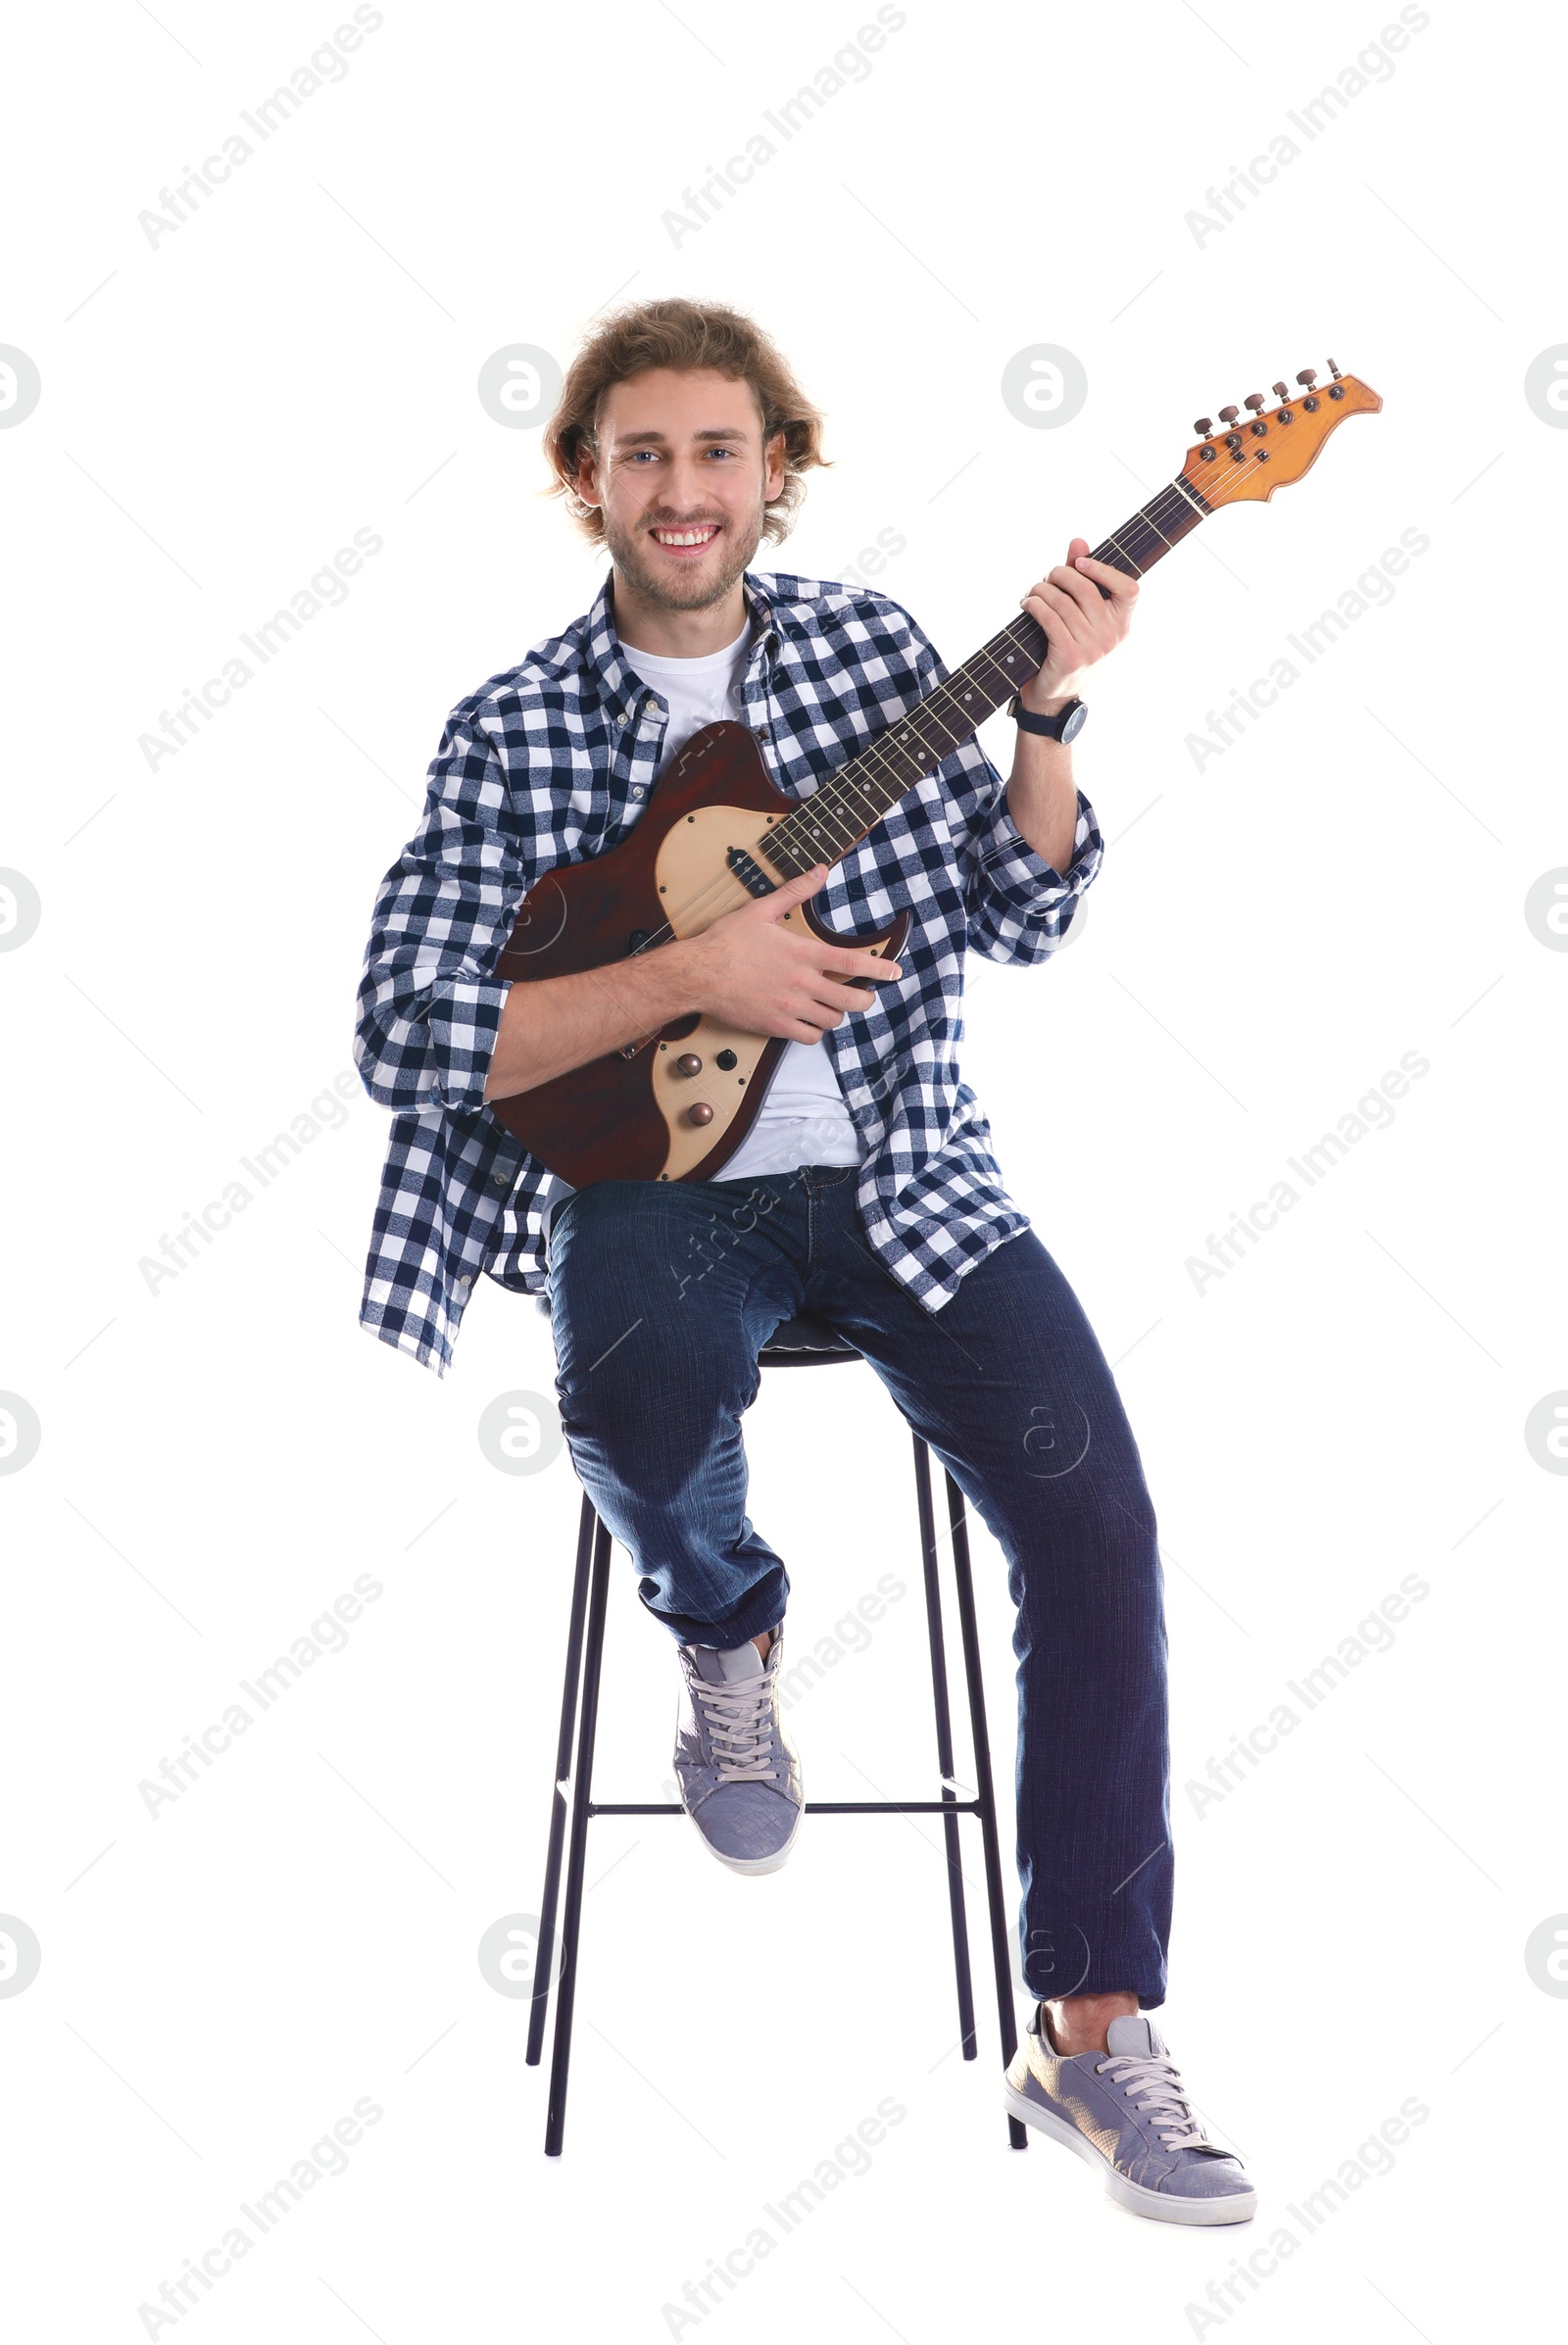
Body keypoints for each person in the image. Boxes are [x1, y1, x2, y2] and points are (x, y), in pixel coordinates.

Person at [354, 297, 1254, 2224]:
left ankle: (1088, 2029)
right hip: (651, 1189)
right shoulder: (512, 723)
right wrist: (696, 973)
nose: (683, 490)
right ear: (584, 478)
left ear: (777, 469)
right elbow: (403, 1028)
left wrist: (1045, 717)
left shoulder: (866, 655)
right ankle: (727, 1625)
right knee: (632, 1382)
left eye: (717, 451)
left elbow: (1016, 916)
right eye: (643, 454)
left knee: (1097, 1526)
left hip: (903, 1171)